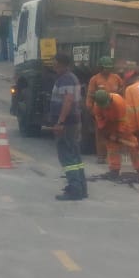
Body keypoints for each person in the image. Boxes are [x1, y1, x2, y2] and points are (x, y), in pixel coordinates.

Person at [50, 53, 87, 200]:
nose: (53, 66)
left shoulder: (65, 79)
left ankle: (75, 189)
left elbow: (68, 100)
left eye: (55, 63)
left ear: (60, 64)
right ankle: (81, 187)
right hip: (73, 122)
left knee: (67, 157)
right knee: (75, 155)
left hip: (67, 124)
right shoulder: (72, 77)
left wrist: (60, 122)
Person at [92, 89, 139, 180]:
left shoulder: (118, 102)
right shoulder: (97, 106)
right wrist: (105, 132)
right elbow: (100, 121)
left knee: (133, 146)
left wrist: (118, 135)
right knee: (112, 148)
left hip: (124, 123)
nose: (105, 108)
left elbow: (122, 121)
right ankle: (114, 170)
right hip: (110, 124)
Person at [86, 56, 124, 163]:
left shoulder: (116, 78)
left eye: (109, 68)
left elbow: (122, 90)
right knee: (100, 133)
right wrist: (90, 108)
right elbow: (90, 94)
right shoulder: (95, 79)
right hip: (100, 110)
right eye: (105, 68)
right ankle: (101, 156)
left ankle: (112, 156)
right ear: (101, 67)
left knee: (114, 133)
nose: (107, 70)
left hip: (114, 109)